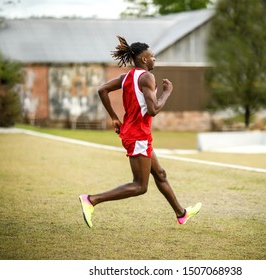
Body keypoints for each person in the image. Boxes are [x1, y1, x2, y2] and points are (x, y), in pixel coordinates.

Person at [79, 36, 201, 228]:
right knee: (140, 186)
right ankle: (91, 200)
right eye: (152, 56)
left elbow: (102, 90)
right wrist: (167, 92)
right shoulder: (147, 77)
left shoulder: (126, 77)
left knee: (160, 174)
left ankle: (181, 213)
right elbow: (153, 110)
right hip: (138, 135)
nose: (154, 59)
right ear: (144, 59)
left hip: (136, 133)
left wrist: (113, 117)